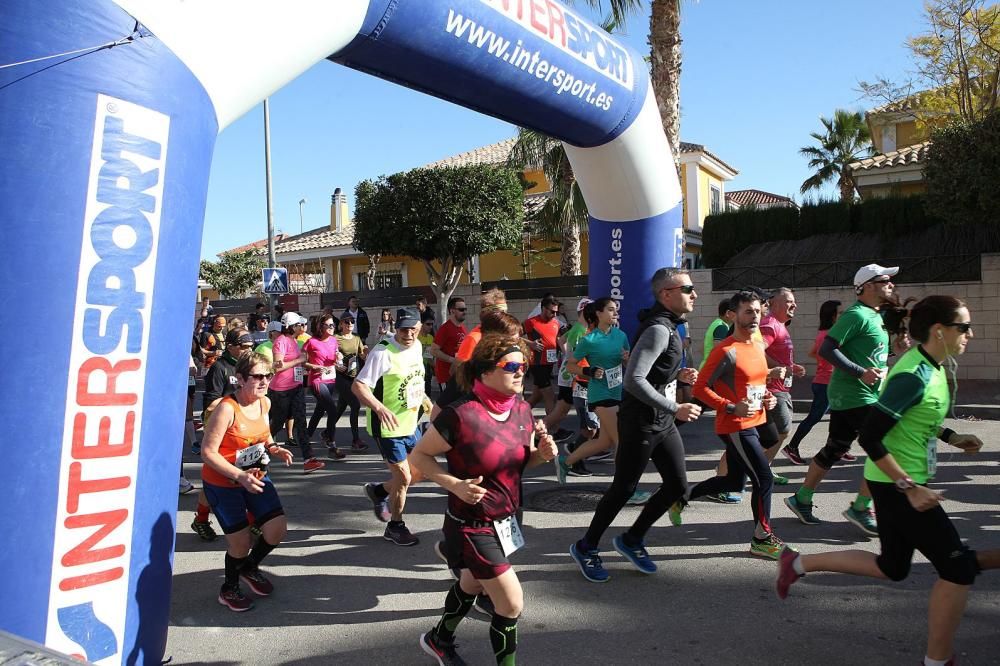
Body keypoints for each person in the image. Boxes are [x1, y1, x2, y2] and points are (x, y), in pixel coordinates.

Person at [776, 295, 999, 666]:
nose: (970, 334)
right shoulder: (914, 373)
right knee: (957, 569)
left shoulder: (936, 366)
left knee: (892, 567)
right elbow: (872, 436)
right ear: (939, 331)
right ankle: (938, 660)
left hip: (901, 482)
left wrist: (951, 438)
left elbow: (917, 418)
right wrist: (909, 487)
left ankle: (797, 564)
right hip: (900, 487)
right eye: (963, 327)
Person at [410, 335, 558, 665]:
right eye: (513, 366)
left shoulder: (522, 410)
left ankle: (438, 639)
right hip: (471, 525)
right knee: (510, 604)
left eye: (525, 366)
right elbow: (419, 456)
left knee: (472, 584)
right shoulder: (460, 415)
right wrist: (454, 485)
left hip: (507, 519)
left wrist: (541, 455)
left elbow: (520, 462)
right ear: (486, 371)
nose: (522, 372)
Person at [568, 268, 702, 582]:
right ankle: (586, 546)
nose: (694, 294)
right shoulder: (658, 329)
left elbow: (653, 373)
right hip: (641, 422)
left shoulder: (671, 326)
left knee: (677, 486)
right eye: (688, 288)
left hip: (662, 422)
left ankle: (632, 539)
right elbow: (633, 380)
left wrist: (677, 377)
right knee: (624, 488)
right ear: (666, 294)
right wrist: (675, 406)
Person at [785, 264, 900, 536]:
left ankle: (801, 498)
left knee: (835, 448)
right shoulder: (855, 315)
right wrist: (861, 373)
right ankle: (861, 507)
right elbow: (827, 348)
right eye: (886, 281)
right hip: (854, 395)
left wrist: (893, 354)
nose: (891, 285)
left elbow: (869, 354)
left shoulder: (876, 315)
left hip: (861, 394)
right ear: (869, 285)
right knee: (885, 447)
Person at [678, 289, 788, 560]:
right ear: (734, 314)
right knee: (763, 478)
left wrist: (768, 397)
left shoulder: (757, 345)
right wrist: (729, 406)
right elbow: (700, 388)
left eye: (758, 312)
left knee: (732, 481)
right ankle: (762, 538)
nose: (754, 317)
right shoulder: (725, 350)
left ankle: (682, 495)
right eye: (748, 311)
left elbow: (755, 383)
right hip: (735, 424)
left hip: (756, 418)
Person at [199, 352, 294, 611]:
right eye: (258, 376)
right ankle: (228, 589)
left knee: (277, 529)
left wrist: (275, 448)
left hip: (254, 476)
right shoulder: (227, 409)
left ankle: (249, 568)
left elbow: (264, 437)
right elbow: (207, 453)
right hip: (224, 483)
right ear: (239, 379)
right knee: (240, 543)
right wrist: (238, 475)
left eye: (268, 376)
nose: (264, 382)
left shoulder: (264, 403)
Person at [354, 307, 427, 546]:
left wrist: (428, 404)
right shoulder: (382, 352)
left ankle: (379, 491)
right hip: (387, 427)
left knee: (418, 474)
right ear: (396, 327)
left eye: (413, 329)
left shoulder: (417, 347)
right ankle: (395, 526)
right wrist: (380, 408)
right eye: (403, 329)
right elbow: (359, 386)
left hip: (411, 423)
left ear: (419, 328)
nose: (408, 334)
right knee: (404, 477)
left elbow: (415, 381)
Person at [557, 298, 630, 480]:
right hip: (600, 394)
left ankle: (565, 462)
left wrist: (627, 358)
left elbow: (628, 363)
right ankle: (626, 487)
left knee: (603, 441)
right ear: (599, 313)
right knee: (621, 440)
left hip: (617, 392)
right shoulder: (589, 340)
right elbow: (570, 366)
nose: (615, 313)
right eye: (611, 310)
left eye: (616, 310)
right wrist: (588, 370)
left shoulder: (621, 336)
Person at [783, 300, 842, 464]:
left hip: (829, 382)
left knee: (840, 415)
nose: (843, 316)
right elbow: (815, 353)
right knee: (815, 417)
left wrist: (825, 362)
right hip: (825, 383)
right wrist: (828, 364)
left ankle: (838, 448)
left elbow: (812, 353)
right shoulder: (828, 335)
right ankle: (792, 447)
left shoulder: (827, 333)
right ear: (833, 316)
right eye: (840, 313)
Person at [269, 312, 325, 474]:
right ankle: (256, 451)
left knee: (301, 422)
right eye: (299, 324)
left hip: (296, 387)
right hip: (281, 391)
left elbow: (297, 362)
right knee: (277, 424)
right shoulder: (281, 341)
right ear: (292, 326)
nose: (302, 327)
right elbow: (278, 367)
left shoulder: (293, 341)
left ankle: (309, 459)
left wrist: (309, 365)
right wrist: (300, 360)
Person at [759, 288, 807, 458]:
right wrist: (778, 366)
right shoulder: (770, 324)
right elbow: (756, 351)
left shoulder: (779, 325)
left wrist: (791, 366)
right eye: (789, 301)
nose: (794, 304)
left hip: (781, 388)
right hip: (772, 388)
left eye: (793, 301)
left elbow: (772, 353)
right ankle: (759, 466)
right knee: (782, 430)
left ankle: (762, 467)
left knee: (779, 431)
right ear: (773, 303)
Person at [303, 313, 347, 460]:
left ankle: (306, 436)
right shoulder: (311, 342)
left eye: (333, 325)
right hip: (316, 380)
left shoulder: (334, 340)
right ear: (320, 327)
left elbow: (334, 356)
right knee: (333, 410)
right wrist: (313, 366)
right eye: (329, 325)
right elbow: (302, 361)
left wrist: (338, 359)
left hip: (330, 378)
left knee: (319, 410)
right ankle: (332, 444)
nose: (332, 328)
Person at [331, 314, 368, 452]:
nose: (350, 324)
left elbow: (362, 355)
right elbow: (330, 356)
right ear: (341, 324)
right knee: (355, 405)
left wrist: (365, 352)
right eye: (347, 322)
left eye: (352, 321)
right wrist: (336, 364)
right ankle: (356, 440)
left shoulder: (357, 338)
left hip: (353, 375)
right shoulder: (336, 338)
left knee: (340, 407)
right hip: (340, 376)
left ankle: (326, 432)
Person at [523, 295, 562, 414]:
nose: (555, 315)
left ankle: (517, 416)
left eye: (556, 312)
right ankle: (553, 428)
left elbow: (558, 339)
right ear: (543, 308)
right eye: (552, 311)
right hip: (537, 364)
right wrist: (530, 344)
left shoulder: (556, 323)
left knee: (537, 397)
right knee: (550, 396)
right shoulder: (531, 322)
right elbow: (513, 336)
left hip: (549, 364)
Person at [430, 297, 468, 392]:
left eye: (465, 309)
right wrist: (453, 360)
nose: (464, 312)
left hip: (459, 375)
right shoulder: (445, 329)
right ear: (452, 311)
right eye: (461, 309)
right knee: (447, 405)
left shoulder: (462, 328)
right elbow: (433, 351)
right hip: (446, 376)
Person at [699, 299, 734, 370]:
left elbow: (701, 349)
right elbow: (719, 352)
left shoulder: (715, 323)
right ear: (728, 313)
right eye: (735, 312)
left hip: (706, 367)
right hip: (712, 370)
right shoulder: (722, 327)